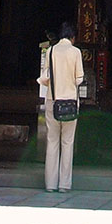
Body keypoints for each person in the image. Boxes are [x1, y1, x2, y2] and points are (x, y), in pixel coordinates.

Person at [37, 21, 84, 192]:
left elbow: (45, 77)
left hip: (53, 101)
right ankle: (64, 184)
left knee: (52, 142)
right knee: (68, 143)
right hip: (70, 102)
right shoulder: (76, 52)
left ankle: (50, 184)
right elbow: (79, 79)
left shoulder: (51, 51)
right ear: (72, 37)